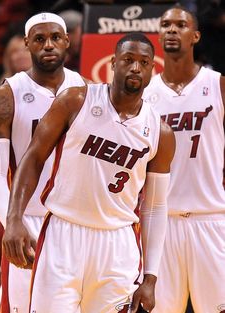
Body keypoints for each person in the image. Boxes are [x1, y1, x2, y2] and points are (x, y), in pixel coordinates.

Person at [2, 32, 175, 313]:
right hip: (63, 233)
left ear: (152, 69)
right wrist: (14, 218)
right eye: (128, 60)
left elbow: (154, 207)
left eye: (144, 62)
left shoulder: (160, 132)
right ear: (113, 62)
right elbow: (33, 158)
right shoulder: (75, 100)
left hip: (117, 244)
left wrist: (151, 277)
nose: (135, 68)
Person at [0, 12, 87, 313]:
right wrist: (14, 223)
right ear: (28, 43)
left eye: (56, 38)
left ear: (67, 42)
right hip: (28, 219)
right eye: (41, 39)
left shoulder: (87, 90)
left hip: (75, 222)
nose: (49, 45)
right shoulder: (6, 96)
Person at [143, 5, 225, 313]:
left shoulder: (218, 84)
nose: (172, 29)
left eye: (180, 24)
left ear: (196, 35)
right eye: (165, 25)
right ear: (159, 34)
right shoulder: (145, 94)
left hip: (212, 218)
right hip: (161, 224)